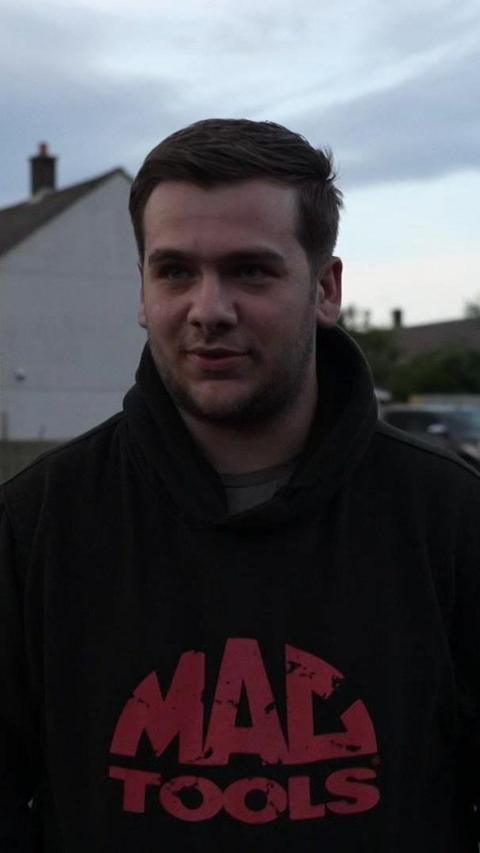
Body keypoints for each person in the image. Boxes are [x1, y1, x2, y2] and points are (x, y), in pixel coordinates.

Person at [1, 119, 480, 853]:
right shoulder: (36, 526)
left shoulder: (450, 520)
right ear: (141, 291)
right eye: (174, 271)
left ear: (325, 288)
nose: (208, 309)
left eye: (250, 270)